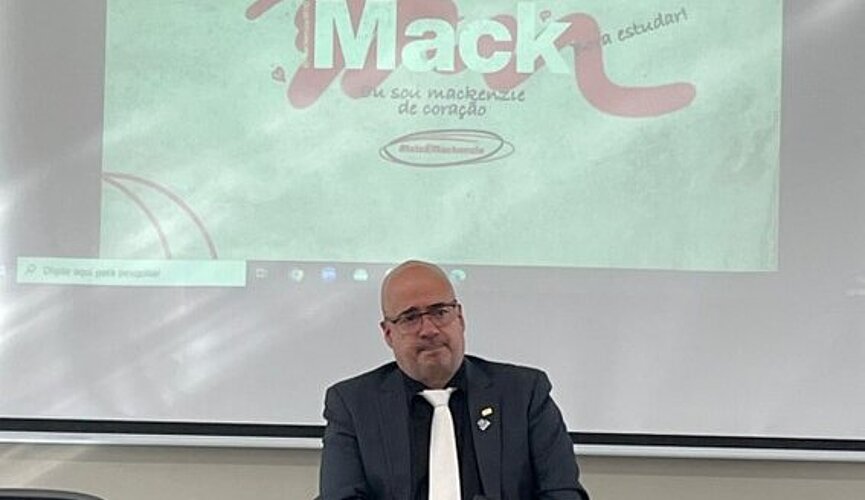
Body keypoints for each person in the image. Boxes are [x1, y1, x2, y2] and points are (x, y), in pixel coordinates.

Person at [319, 260, 590, 499]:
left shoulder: (524, 394)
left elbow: (563, 493)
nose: (429, 329)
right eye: (410, 318)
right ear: (388, 333)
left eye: (440, 312)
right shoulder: (353, 405)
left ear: (460, 318)